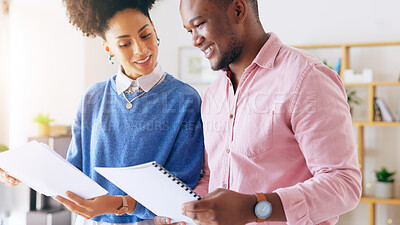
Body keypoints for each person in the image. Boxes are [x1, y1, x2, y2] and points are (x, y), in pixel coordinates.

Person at [155, 0, 362, 224]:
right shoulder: (213, 94)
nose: (195, 40)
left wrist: (255, 207)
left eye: (201, 24)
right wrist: (185, 212)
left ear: (238, 9)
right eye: (190, 31)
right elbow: (212, 177)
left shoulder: (306, 77)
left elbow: (343, 184)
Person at [0, 0, 204, 224]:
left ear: (155, 30)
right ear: (108, 48)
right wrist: (26, 172)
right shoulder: (92, 98)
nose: (141, 49)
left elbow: (183, 185)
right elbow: (73, 172)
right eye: (125, 44)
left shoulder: (185, 100)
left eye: (145, 35)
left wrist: (120, 205)